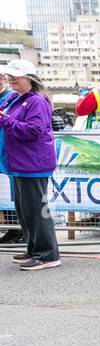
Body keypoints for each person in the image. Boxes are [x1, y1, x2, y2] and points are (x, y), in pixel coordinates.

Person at [0, 61, 60, 270]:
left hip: (32, 165)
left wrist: (5, 120)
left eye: (15, 76)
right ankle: (34, 248)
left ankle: (47, 254)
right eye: (10, 76)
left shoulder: (36, 101)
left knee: (36, 211)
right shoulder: (16, 98)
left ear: (29, 78)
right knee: (25, 211)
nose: (11, 80)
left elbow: (33, 130)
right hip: (19, 163)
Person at [0, 68, 25, 247]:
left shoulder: (11, 97)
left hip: (8, 150)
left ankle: (17, 229)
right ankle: (12, 228)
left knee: (12, 191)